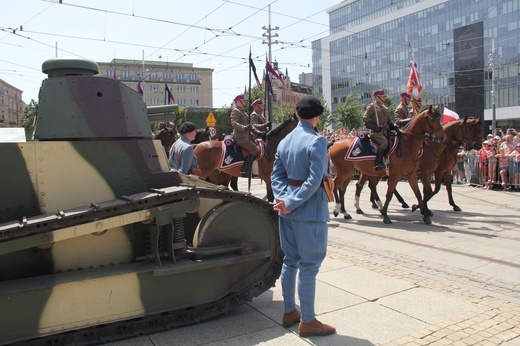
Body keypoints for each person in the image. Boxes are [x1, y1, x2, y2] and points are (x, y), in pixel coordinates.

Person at [271, 96, 336, 338]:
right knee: (309, 266)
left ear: (298, 114)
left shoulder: (285, 140)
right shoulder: (317, 140)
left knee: (290, 260)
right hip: (309, 212)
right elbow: (314, 180)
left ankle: (290, 312)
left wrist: (283, 200)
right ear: (317, 116)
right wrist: (292, 202)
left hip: (286, 210)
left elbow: (276, 176)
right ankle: (308, 321)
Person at [230, 94, 265, 177]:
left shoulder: (243, 112)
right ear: (238, 101)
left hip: (246, 136)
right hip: (240, 137)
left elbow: (251, 126)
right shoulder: (236, 111)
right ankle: (246, 170)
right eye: (243, 100)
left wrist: (259, 132)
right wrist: (244, 128)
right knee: (255, 150)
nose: (245, 102)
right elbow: (234, 123)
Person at [363, 89, 397, 171]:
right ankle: (378, 163)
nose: (385, 98)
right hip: (376, 132)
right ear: (377, 97)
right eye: (383, 97)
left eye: (385, 96)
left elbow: (388, 120)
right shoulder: (372, 107)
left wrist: (394, 127)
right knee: (384, 142)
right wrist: (375, 127)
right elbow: (365, 118)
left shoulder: (384, 108)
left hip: (385, 131)